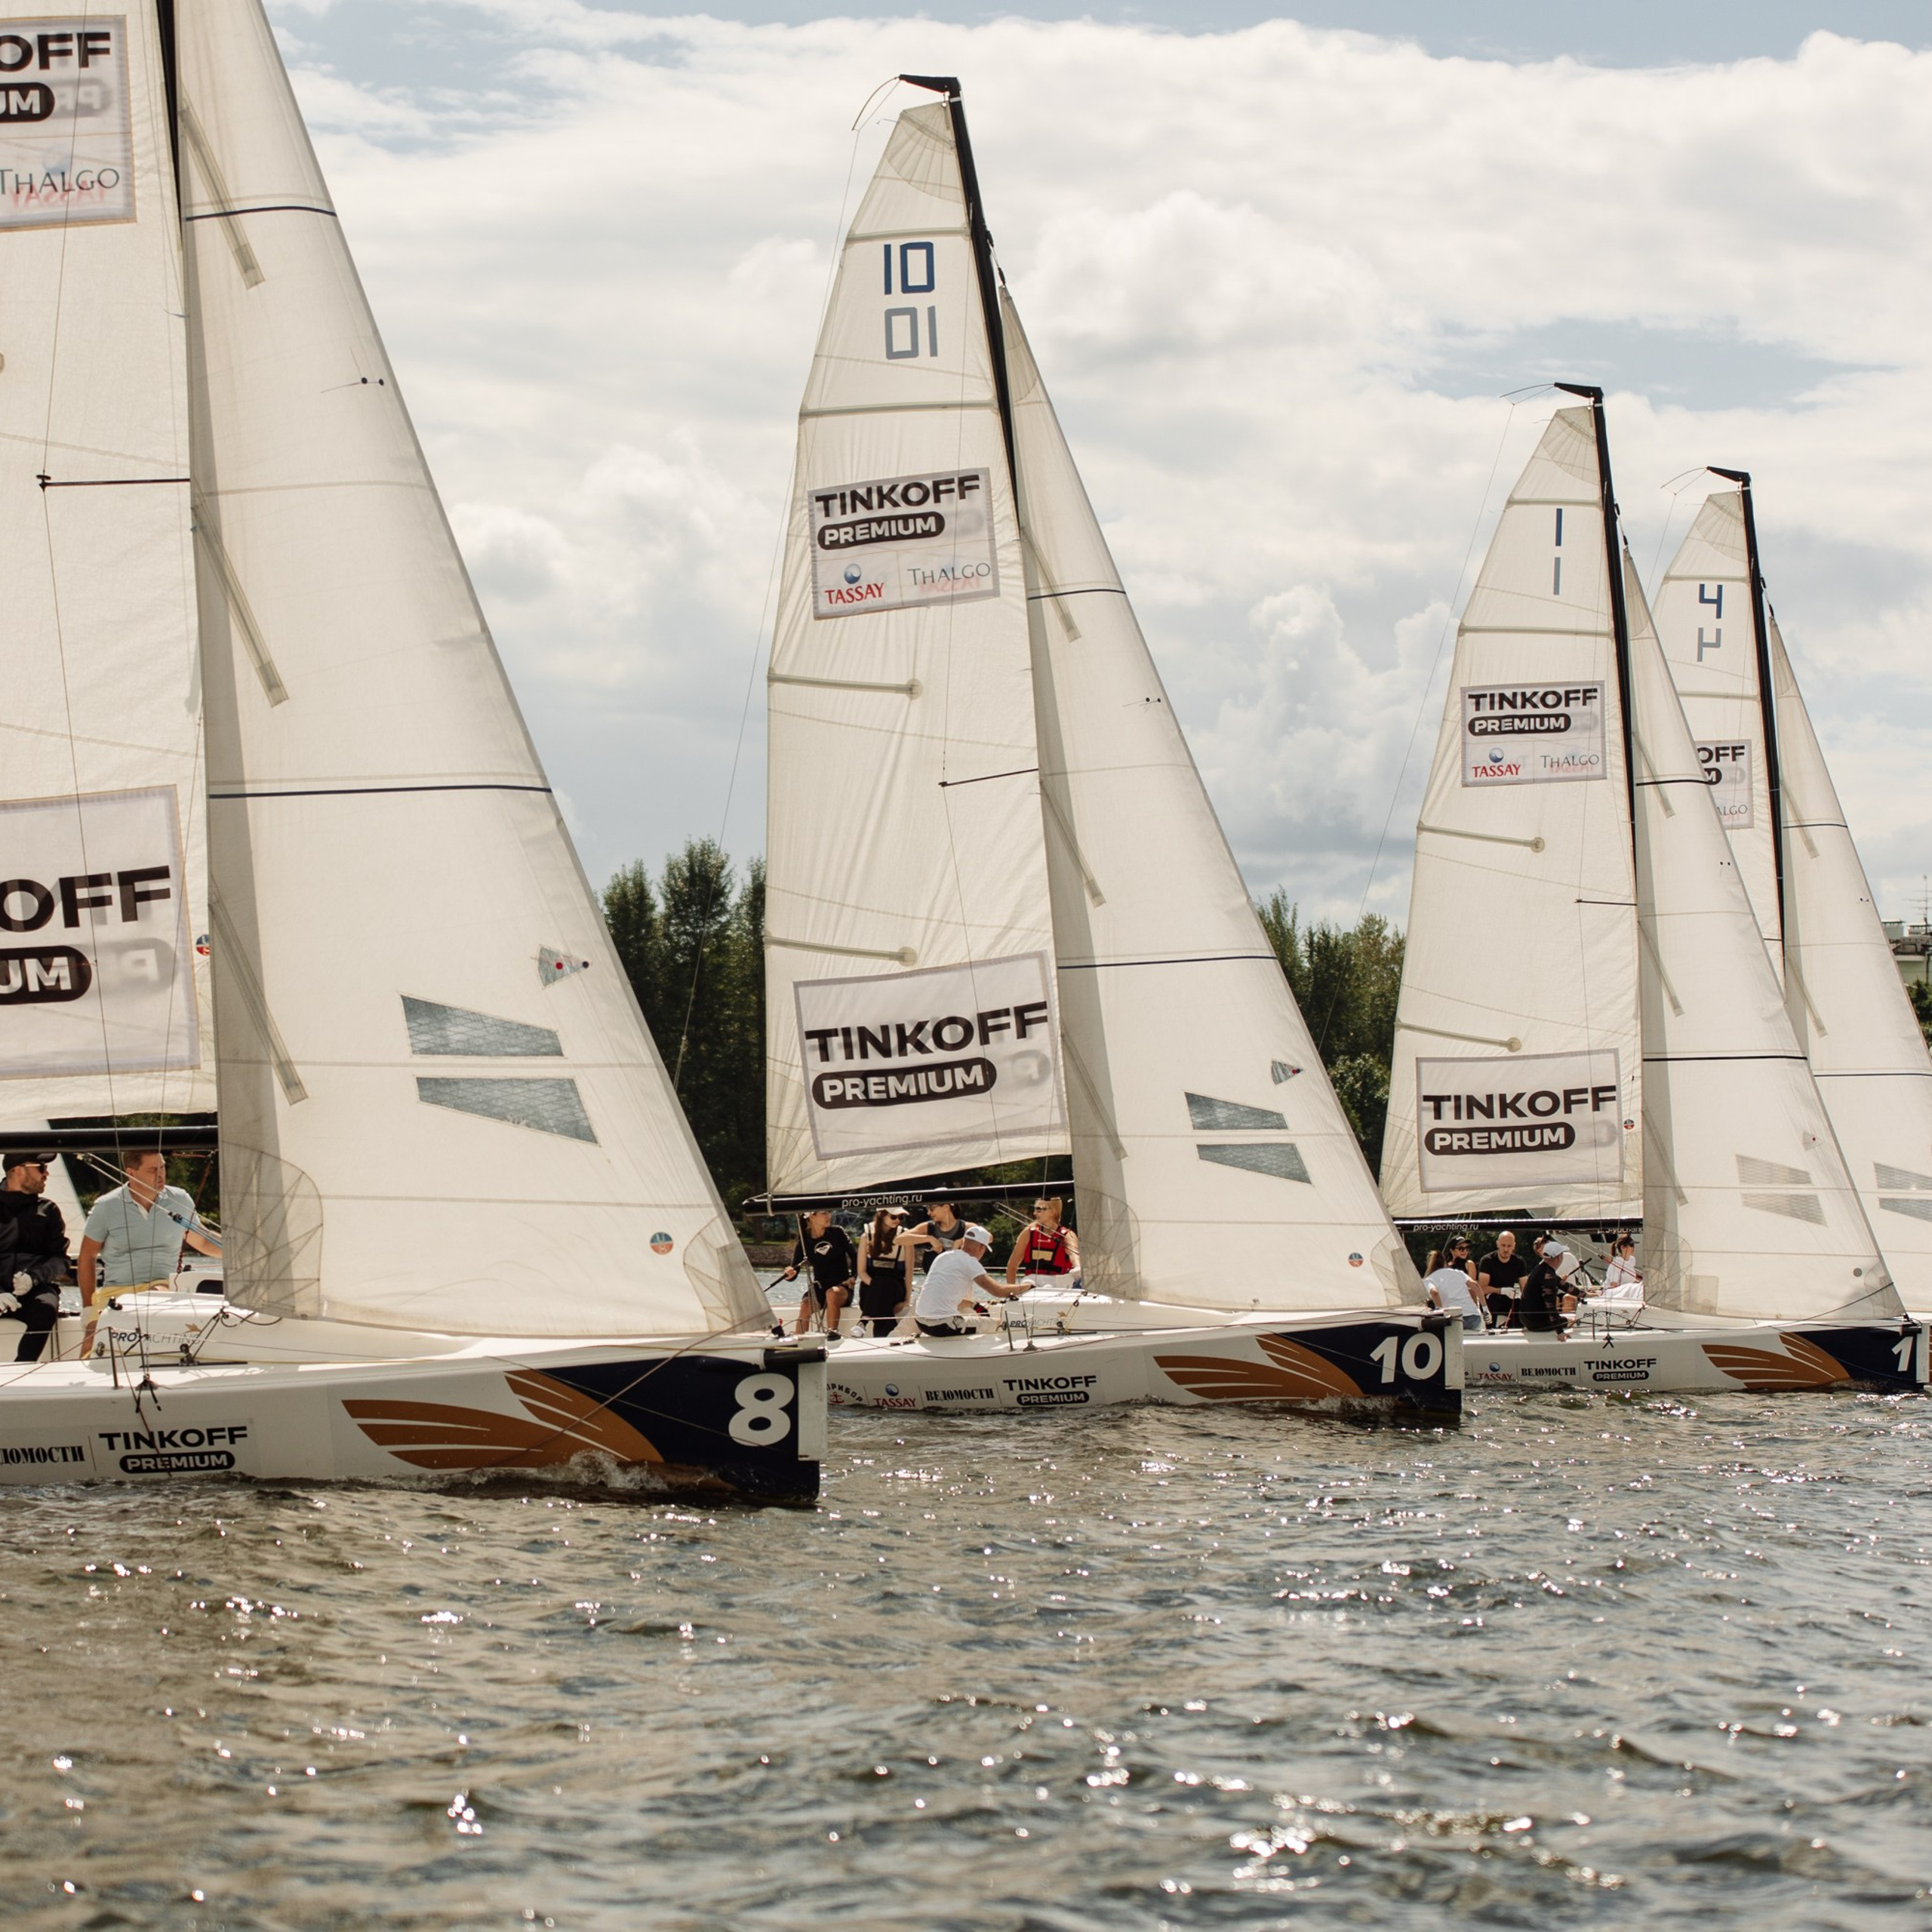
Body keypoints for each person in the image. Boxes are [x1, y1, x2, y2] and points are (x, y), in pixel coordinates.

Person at [78, 1150, 220, 1305]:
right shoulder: (106, 1206)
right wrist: (87, 1308)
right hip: (116, 1294)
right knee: (93, 1329)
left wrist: (241, 1254)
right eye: (153, 1170)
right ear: (131, 1173)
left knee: (155, 1295)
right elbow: (87, 1257)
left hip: (163, 1291)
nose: (160, 1175)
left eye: (163, 1168)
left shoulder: (180, 1200)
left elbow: (203, 1241)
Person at [0, 1150, 71, 1363]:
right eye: (41, 1168)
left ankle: (19, 1373)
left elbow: (61, 1260)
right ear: (18, 1171)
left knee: (46, 1308)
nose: (46, 1174)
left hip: (33, 1289)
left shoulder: (48, 1210)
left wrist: (34, 1278)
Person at [913, 1225, 1029, 1337]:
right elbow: (998, 1291)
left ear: (963, 1242)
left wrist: (974, 1306)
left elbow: (945, 1295)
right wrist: (1028, 1286)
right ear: (981, 1248)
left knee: (970, 1318)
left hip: (920, 1322)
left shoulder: (943, 1257)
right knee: (1000, 1323)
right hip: (942, 1326)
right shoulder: (970, 1262)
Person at [782, 1209, 857, 1340]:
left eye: (829, 1212)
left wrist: (853, 1277)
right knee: (805, 1305)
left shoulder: (837, 1233)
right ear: (812, 1217)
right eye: (824, 1213)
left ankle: (832, 1334)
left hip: (842, 1286)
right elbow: (794, 1271)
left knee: (831, 1293)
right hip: (819, 1288)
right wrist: (790, 1274)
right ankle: (799, 1342)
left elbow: (855, 1257)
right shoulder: (805, 1242)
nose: (829, 1216)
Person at [854, 1208, 912, 1338]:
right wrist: (875, 1284)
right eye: (893, 1217)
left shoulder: (905, 1237)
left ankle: (864, 1320)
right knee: (882, 1286)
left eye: (900, 1217)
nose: (897, 1220)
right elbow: (861, 1272)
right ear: (882, 1216)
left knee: (886, 1283)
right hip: (870, 1288)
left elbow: (909, 1272)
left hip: (895, 1289)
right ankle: (886, 1337)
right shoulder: (866, 1236)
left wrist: (907, 1300)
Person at [1006, 1195, 1080, 1286]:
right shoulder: (1028, 1233)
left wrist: (1078, 1266)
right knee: (1028, 1283)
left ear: (1052, 1211)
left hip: (1057, 1282)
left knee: (1051, 1287)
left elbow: (1074, 1254)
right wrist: (1011, 1292)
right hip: (1031, 1281)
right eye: (1035, 1209)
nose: (1034, 1213)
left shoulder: (1067, 1235)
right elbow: (1012, 1266)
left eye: (1039, 1209)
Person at [1422, 1235, 1483, 1333]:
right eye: (1461, 1248)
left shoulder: (1468, 1264)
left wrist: (1439, 1312)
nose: (1464, 1251)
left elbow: (1472, 1290)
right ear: (1452, 1250)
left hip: (1458, 1313)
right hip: (1470, 1314)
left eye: (1467, 1248)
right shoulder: (1452, 1269)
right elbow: (1474, 1286)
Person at [1518, 1239, 1574, 1334]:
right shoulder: (1549, 1277)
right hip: (1539, 1324)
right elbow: (1551, 1307)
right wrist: (1560, 1332)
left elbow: (1565, 1286)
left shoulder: (1541, 1269)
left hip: (1525, 1319)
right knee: (1572, 1321)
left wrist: (1586, 1295)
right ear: (1559, 1258)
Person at [1476, 1229, 1527, 1330]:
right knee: (1494, 1299)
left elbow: (1525, 1288)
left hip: (1509, 1300)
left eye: (1509, 1246)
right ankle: (1490, 1329)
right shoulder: (1487, 1261)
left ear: (1514, 1246)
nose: (1506, 1249)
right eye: (1503, 1245)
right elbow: (1482, 1289)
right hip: (1491, 1300)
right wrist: (1501, 1291)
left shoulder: (1519, 1262)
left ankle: (1513, 1329)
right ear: (1497, 1244)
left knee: (1520, 1305)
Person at [905, 1196, 967, 1273]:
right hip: (933, 1282)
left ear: (946, 1207)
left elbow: (985, 1238)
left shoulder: (966, 1227)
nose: (929, 1213)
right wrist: (929, 1239)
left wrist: (964, 1242)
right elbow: (899, 1239)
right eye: (927, 1209)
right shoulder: (927, 1227)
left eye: (932, 1209)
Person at [1600, 1233, 1643, 1303]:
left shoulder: (1632, 1260)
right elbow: (1613, 1285)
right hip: (1612, 1293)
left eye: (1634, 1245)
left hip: (1627, 1292)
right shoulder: (1616, 1263)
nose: (1634, 1248)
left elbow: (1631, 1280)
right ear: (1623, 1247)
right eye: (1631, 1245)